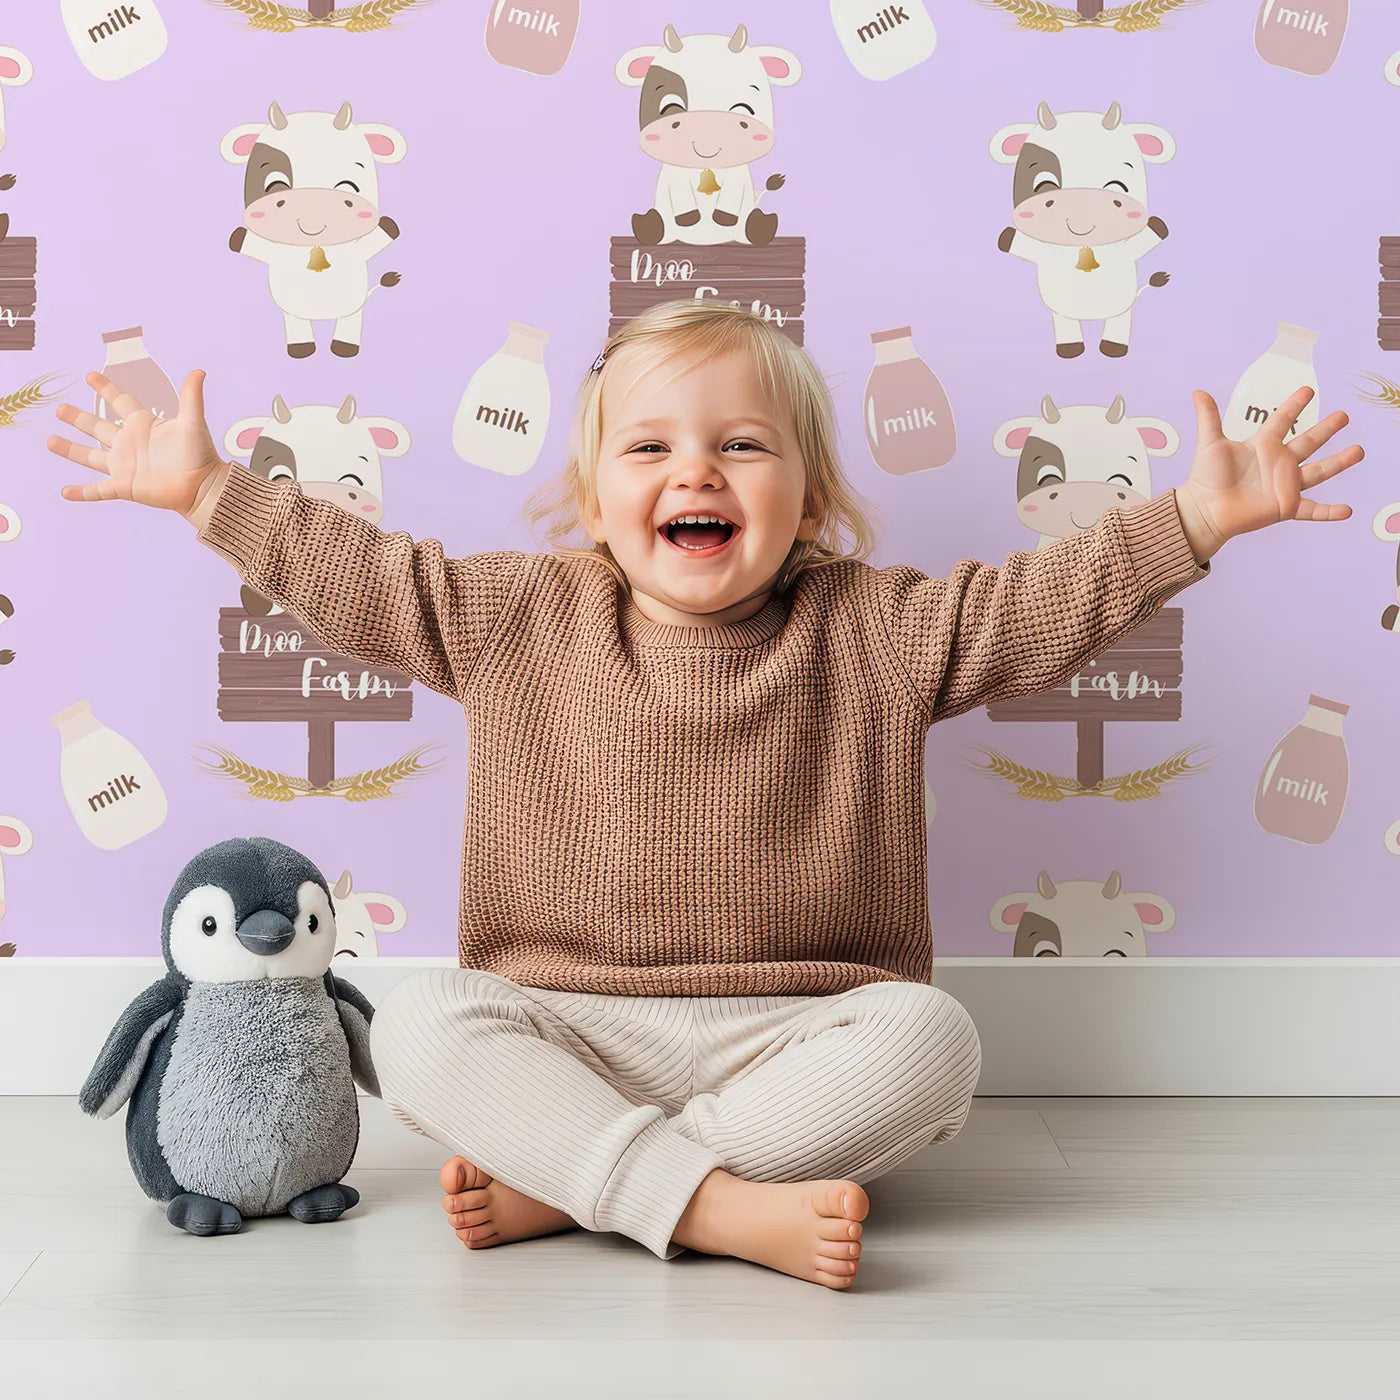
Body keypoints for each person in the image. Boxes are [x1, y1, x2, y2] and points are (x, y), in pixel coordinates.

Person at [46, 301, 1361, 1289]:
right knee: (424, 1026)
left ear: (812, 501)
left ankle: (585, 1184)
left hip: (799, 1033)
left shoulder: (879, 629)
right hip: (564, 1024)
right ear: (592, 498)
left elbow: (1033, 607)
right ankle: (720, 1208)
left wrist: (1192, 520)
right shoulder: (514, 616)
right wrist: (211, 492)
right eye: (651, 447)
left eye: (742, 445)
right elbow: (360, 575)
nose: (697, 473)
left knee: (935, 1039)